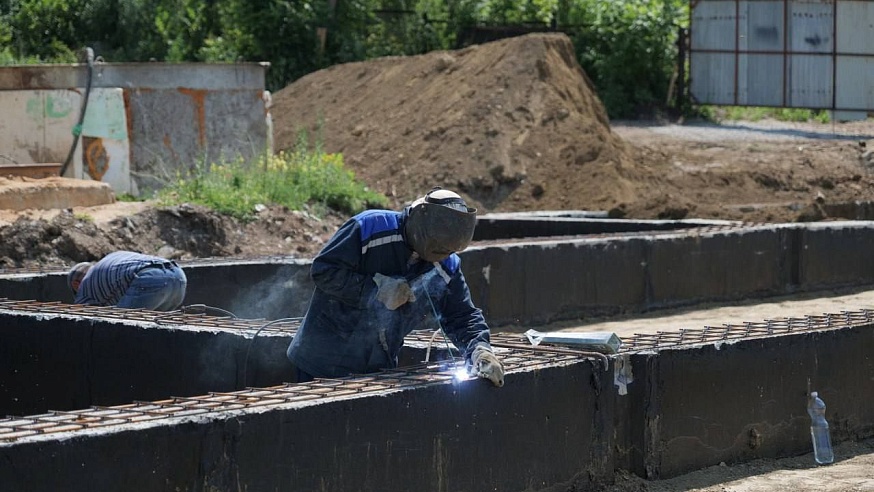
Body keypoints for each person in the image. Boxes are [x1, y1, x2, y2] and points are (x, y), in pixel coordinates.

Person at [286, 187, 505, 387]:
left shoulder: (446, 264)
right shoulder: (369, 227)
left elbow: (462, 316)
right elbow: (324, 270)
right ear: (420, 220)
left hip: (379, 369)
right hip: (321, 360)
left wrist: (479, 349)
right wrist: (375, 290)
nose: (439, 256)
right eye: (437, 248)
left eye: (446, 251)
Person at [67, 251, 187, 311]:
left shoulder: (87, 285)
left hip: (150, 279)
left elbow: (82, 313)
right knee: (159, 326)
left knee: (120, 326)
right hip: (179, 275)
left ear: (76, 285)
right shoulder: (105, 268)